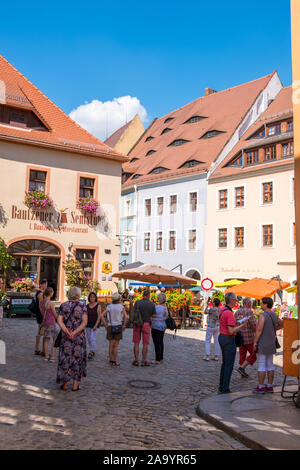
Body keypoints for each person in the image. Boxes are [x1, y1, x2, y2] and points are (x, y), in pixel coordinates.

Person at [56, 287, 87, 391]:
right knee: (77, 359)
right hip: (78, 337)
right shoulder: (82, 307)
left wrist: (67, 331)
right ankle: (75, 385)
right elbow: (84, 323)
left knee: (65, 358)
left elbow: (59, 321)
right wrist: (75, 332)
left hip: (66, 337)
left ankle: (64, 384)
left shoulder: (63, 306)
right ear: (78, 295)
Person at [218, 292, 249, 394]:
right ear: (231, 300)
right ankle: (225, 388)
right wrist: (243, 324)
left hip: (222, 337)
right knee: (229, 365)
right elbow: (231, 331)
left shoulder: (223, 309)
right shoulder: (229, 313)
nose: (237, 301)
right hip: (228, 339)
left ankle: (221, 386)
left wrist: (236, 320)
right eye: (235, 299)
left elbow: (226, 322)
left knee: (225, 363)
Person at [253, 297, 283, 394]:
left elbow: (259, 329)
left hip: (263, 342)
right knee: (270, 364)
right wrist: (274, 329)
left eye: (262, 303)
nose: (261, 305)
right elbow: (282, 324)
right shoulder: (274, 314)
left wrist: (255, 342)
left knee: (262, 364)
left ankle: (261, 386)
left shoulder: (263, 315)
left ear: (266, 304)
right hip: (271, 342)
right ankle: (269, 385)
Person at [101, 293, 128, 366]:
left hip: (110, 326)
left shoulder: (109, 306)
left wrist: (105, 324)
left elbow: (102, 315)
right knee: (116, 345)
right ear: (119, 299)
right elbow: (126, 317)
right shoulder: (121, 307)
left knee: (110, 345)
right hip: (118, 326)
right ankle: (114, 361)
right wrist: (124, 325)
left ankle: (110, 360)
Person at [132, 289, 156, 366]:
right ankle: (143, 361)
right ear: (149, 295)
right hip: (146, 324)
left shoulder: (137, 302)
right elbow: (154, 315)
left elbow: (133, 312)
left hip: (137, 323)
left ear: (142, 295)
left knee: (136, 343)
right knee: (145, 343)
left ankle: (136, 360)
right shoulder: (152, 304)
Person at [234, 297, 257, 378]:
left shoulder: (237, 312)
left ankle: (242, 371)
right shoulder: (249, 311)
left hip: (240, 337)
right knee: (254, 354)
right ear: (248, 303)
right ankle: (242, 368)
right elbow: (253, 324)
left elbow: (234, 323)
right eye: (250, 302)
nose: (251, 304)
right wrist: (255, 333)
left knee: (242, 354)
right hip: (249, 337)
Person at [41, 287, 58, 362]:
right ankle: (53, 357)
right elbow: (54, 314)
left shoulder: (42, 302)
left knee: (46, 340)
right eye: (53, 292)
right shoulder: (51, 303)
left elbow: (42, 312)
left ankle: (46, 356)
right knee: (54, 339)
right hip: (52, 322)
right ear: (50, 293)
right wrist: (59, 319)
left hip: (45, 322)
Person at [151, 293, 168, 364]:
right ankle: (161, 358)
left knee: (156, 343)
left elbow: (153, 315)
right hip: (163, 326)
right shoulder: (165, 307)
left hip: (156, 326)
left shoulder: (157, 307)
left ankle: (157, 359)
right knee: (161, 342)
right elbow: (166, 316)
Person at [86, 292, 102, 360]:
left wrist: (96, 325)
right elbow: (85, 315)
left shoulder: (98, 305)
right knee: (89, 338)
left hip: (95, 324)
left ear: (95, 298)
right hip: (88, 324)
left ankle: (91, 352)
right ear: (89, 298)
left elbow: (99, 316)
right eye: (91, 297)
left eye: (93, 297)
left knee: (92, 338)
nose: (92, 298)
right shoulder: (87, 306)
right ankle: (92, 350)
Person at [34, 278, 48, 356]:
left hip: (42, 314)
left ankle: (42, 349)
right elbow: (40, 305)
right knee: (40, 331)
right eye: (45, 284)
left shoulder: (43, 292)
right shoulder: (40, 293)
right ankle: (37, 349)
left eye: (46, 284)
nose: (46, 285)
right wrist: (43, 314)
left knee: (42, 331)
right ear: (41, 284)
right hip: (40, 314)